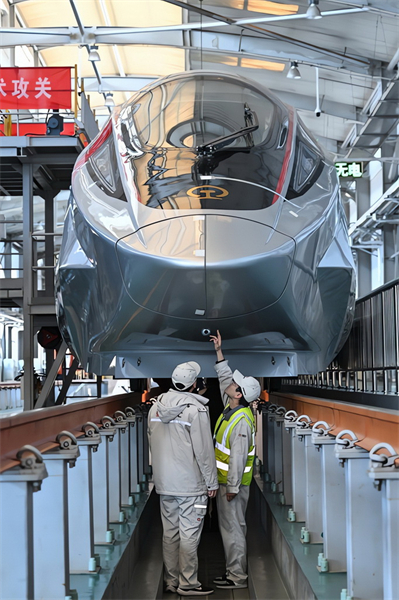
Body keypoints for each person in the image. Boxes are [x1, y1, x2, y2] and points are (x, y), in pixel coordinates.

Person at [147, 361, 218, 596]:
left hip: (165, 484)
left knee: (170, 533)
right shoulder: (195, 410)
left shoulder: (154, 408)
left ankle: (171, 580)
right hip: (192, 487)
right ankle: (188, 583)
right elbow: (204, 451)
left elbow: (151, 443)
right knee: (190, 534)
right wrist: (212, 482)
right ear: (194, 384)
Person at [209, 330, 260, 590]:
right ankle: (233, 572)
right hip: (227, 484)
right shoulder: (232, 408)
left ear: (238, 394)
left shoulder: (240, 422)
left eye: (235, 384)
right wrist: (219, 351)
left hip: (234, 487)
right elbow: (224, 378)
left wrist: (231, 488)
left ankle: (237, 578)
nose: (231, 382)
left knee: (234, 530)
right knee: (230, 529)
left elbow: (238, 459)